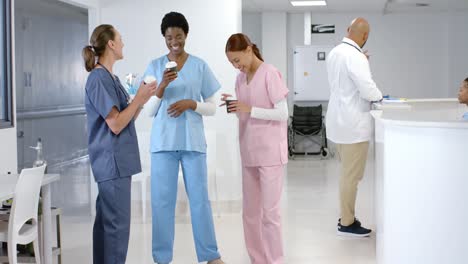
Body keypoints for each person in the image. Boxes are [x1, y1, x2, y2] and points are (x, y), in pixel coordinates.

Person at [143, 12, 224, 264]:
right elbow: (148, 111)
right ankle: (161, 258)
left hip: (192, 143)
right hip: (163, 144)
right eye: (169, 37)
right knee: (162, 204)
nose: (174, 41)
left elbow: (212, 106)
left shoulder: (199, 65)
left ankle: (210, 256)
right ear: (164, 38)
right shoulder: (155, 66)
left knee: (200, 201)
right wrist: (161, 87)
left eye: (178, 36)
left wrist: (192, 104)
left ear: (186, 35)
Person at [82, 24, 157, 264]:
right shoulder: (98, 78)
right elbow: (115, 124)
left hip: (115, 165)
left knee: (107, 229)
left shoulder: (110, 77)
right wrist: (138, 99)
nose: (123, 43)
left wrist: (142, 99)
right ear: (111, 44)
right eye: (120, 39)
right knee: (116, 232)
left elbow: (127, 118)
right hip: (111, 164)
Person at [223, 33, 289, 264]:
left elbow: (283, 113)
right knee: (250, 214)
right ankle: (257, 260)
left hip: (270, 153)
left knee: (270, 214)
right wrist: (234, 107)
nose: (236, 66)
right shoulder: (240, 80)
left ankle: (275, 260)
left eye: (237, 60)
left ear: (249, 50)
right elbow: (245, 115)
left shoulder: (270, 73)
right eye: (232, 63)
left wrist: (250, 109)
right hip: (249, 152)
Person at [326, 17, 383, 237]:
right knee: (352, 176)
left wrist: (361, 61)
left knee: (346, 174)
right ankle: (347, 223)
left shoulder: (336, 52)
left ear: (347, 29)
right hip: (353, 125)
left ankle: (346, 217)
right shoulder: (356, 56)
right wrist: (380, 98)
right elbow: (367, 89)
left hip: (338, 123)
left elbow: (346, 79)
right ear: (365, 36)